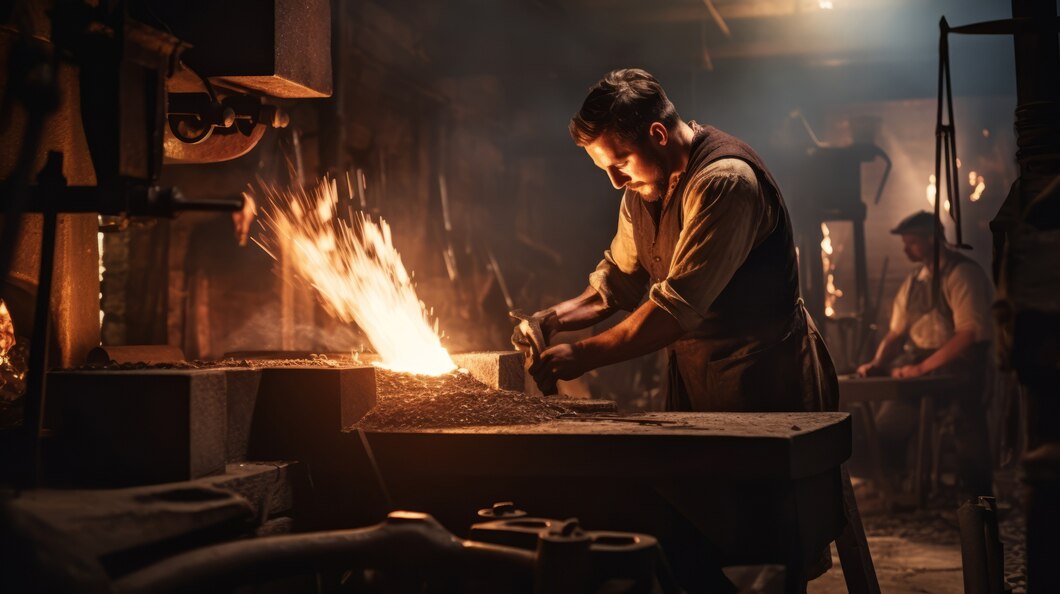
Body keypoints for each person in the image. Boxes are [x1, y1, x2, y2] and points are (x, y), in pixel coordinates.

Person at [513, 68, 838, 415]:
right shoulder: (642, 189)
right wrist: (549, 320)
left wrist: (582, 354)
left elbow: (675, 308)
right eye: (605, 168)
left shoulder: (725, 182)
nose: (615, 181)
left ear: (658, 134)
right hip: (696, 376)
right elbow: (618, 281)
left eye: (621, 163)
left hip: (766, 377)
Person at [856, 210, 995, 497]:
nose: (906, 249)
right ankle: (892, 486)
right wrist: (877, 363)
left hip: (961, 367)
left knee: (965, 424)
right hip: (919, 362)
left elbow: (968, 334)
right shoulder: (914, 282)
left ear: (933, 240)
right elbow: (896, 333)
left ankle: (978, 499)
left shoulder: (962, 274)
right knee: (888, 424)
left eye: (912, 242)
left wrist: (922, 370)